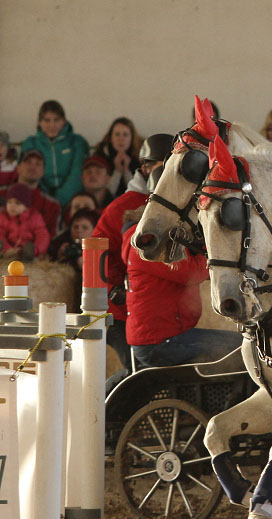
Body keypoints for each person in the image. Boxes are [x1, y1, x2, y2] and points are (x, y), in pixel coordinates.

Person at [93, 132, 173, 379]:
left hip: (146, 310)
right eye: (166, 163)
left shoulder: (171, 203)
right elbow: (97, 255)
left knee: (147, 372)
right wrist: (119, 289)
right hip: (116, 309)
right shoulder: (123, 208)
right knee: (137, 374)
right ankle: (100, 413)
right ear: (146, 168)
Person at [121, 207, 242, 368]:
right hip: (160, 343)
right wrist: (212, 247)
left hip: (161, 338)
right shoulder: (148, 242)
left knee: (239, 345)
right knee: (240, 349)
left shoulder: (143, 240)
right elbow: (191, 274)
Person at [19, 100, 90, 206]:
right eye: (47, 120)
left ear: (64, 121)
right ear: (39, 122)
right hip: (40, 199)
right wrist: (46, 198)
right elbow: (28, 174)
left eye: (56, 120)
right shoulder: (30, 143)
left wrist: (60, 199)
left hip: (73, 199)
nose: (52, 125)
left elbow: (77, 173)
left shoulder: (77, 142)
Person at [0, 149, 62, 235]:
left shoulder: (52, 205)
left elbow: (53, 238)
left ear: (43, 171)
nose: (33, 167)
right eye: (28, 162)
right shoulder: (1, 194)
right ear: (18, 168)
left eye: (38, 164)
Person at [93, 117, 143, 198]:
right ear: (110, 138)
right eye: (117, 134)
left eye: (125, 135)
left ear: (132, 138)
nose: (121, 139)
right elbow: (103, 194)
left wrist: (126, 171)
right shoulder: (100, 156)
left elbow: (138, 192)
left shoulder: (140, 157)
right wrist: (118, 171)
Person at [0, 182, 51, 260]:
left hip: (27, 250)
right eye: (9, 202)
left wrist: (36, 249)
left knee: (30, 251)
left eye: (17, 203)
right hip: (9, 251)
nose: (12, 206)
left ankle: (29, 254)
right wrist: (8, 249)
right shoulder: (3, 217)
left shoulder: (34, 217)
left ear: (26, 206)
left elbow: (43, 236)